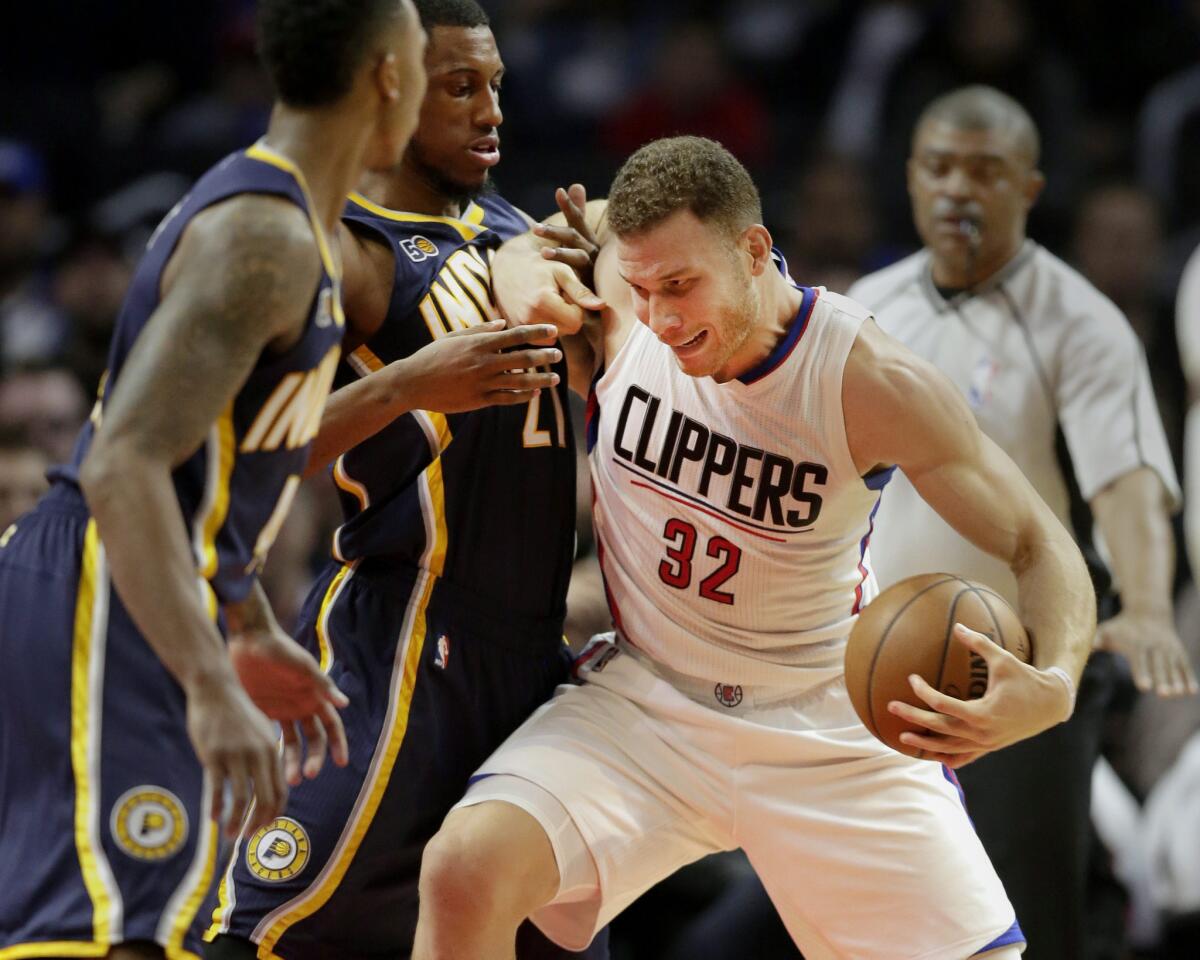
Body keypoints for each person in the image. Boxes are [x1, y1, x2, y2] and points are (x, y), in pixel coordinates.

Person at [410, 134, 1099, 960]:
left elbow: (1034, 539)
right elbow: (581, 223)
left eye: (681, 287)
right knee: (464, 867)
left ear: (754, 249)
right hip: (645, 701)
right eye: (641, 288)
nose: (660, 317)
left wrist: (1055, 685)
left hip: (823, 722)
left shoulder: (865, 378)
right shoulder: (628, 293)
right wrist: (522, 261)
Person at [0, 2, 428, 957]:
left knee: (133, 929)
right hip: (106, 583)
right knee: (107, 931)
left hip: (143, 587)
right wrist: (203, 676)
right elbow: (123, 461)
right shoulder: (262, 236)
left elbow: (211, 465)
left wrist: (242, 620)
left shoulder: (295, 230)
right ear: (389, 77)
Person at [202, 2, 605, 958]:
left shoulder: (518, 231)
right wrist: (409, 384)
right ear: (393, 89)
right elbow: (246, 451)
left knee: (540, 938)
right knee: (264, 933)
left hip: (533, 654)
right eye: (460, 87)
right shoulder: (348, 246)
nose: (489, 110)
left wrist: (611, 307)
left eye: (495, 85)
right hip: (401, 640)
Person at [848, 85, 1197, 960]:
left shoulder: (1080, 321)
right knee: (868, 919)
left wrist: (1149, 602)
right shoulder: (869, 303)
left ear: (1030, 189)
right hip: (873, 654)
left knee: (1023, 924)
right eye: (940, 167)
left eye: (984, 171)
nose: (958, 189)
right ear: (911, 178)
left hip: (1018, 668)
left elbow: (1129, 488)